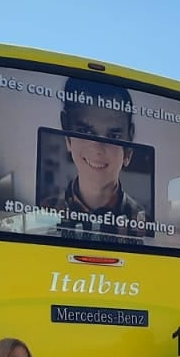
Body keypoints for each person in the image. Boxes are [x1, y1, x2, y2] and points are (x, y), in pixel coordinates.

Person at [45, 78, 149, 242]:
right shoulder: (41, 214)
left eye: (113, 136)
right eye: (85, 131)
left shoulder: (147, 225)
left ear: (129, 144)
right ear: (66, 131)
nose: (98, 149)